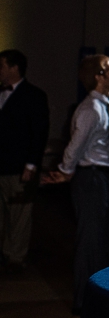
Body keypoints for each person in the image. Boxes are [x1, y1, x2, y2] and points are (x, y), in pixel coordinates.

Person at [43, 55, 109, 314]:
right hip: (91, 178)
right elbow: (75, 146)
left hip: (100, 178)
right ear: (99, 76)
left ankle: (98, 297)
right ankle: (85, 302)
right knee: (90, 242)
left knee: (100, 240)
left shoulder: (103, 105)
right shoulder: (91, 109)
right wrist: (65, 171)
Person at [0, 49, 50, 273]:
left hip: (20, 166)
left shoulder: (34, 95)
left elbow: (39, 133)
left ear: (14, 68)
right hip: (1, 164)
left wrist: (31, 165)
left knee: (20, 214)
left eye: (2, 66)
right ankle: (4, 252)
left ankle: (15, 256)